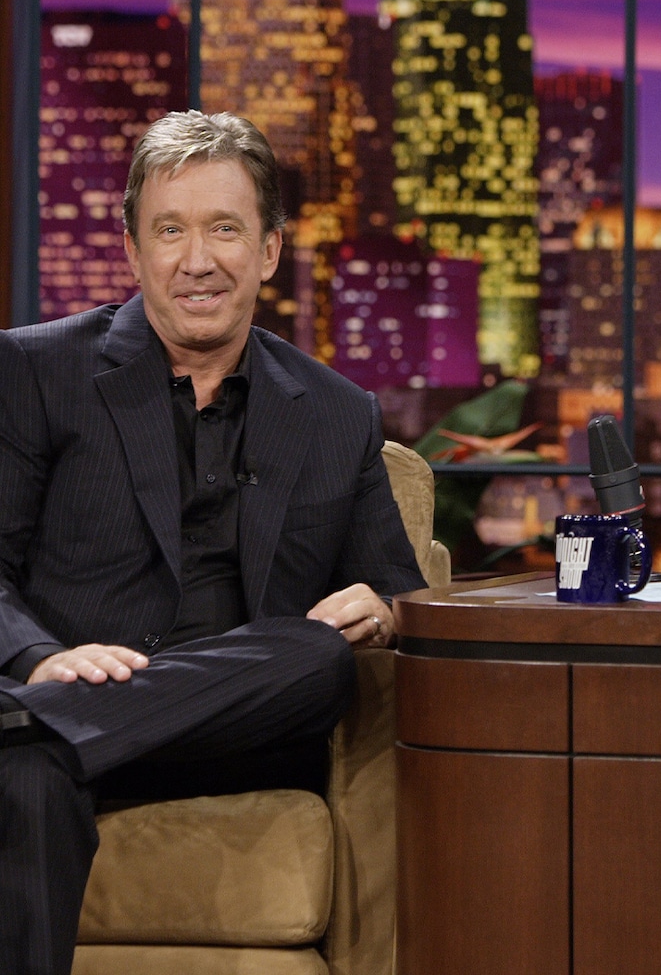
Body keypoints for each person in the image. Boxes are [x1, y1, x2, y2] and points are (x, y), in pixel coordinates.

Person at [0, 110, 427, 974]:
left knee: (318, 654)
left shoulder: (337, 413)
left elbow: (399, 589)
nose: (197, 260)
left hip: (232, 739)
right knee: (24, 777)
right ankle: (39, 723)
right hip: (65, 729)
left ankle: (23, 723)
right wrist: (42, 661)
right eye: (170, 231)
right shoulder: (36, 372)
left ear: (269, 250)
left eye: (224, 229)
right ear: (133, 251)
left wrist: (383, 608)